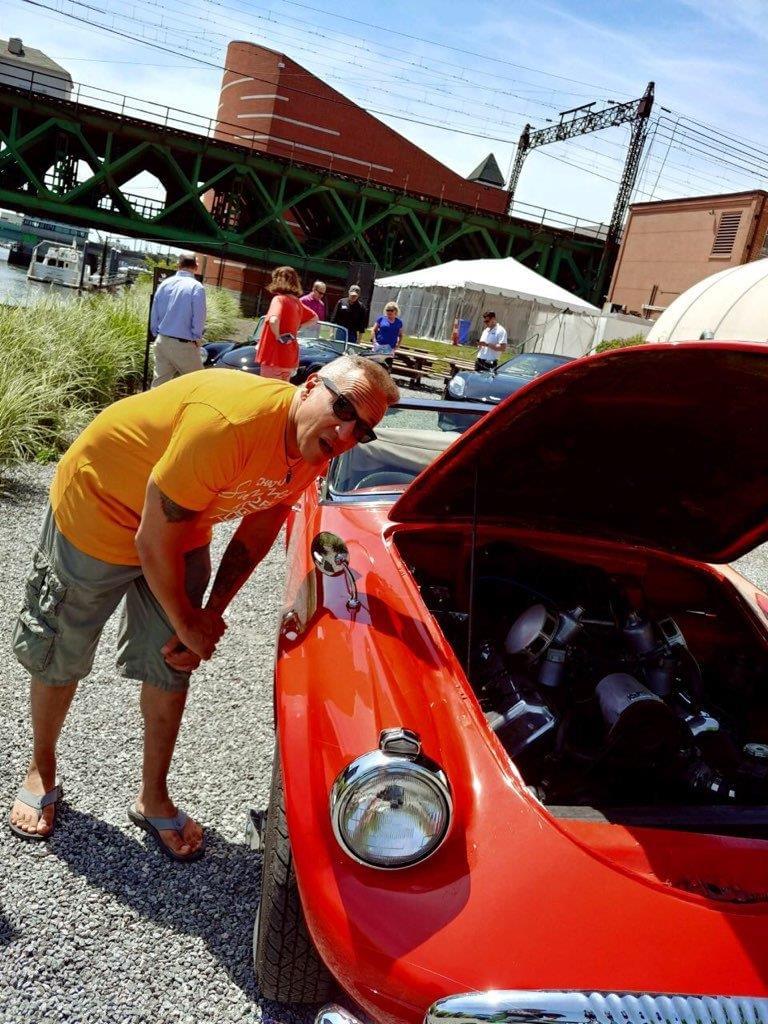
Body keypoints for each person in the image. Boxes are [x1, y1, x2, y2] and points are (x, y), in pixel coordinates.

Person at [8, 357, 399, 861]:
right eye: (342, 408)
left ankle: (152, 797)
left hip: (180, 526)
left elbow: (261, 525)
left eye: (362, 431)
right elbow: (150, 538)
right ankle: (41, 767)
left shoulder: (316, 451)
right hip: (98, 512)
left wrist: (208, 615)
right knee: (61, 647)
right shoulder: (229, 424)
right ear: (309, 388)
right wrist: (188, 619)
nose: (346, 431)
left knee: (175, 660)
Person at [150, 254, 207, 388]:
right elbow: (199, 316)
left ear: (178, 265)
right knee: (198, 384)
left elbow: (155, 314)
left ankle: (150, 408)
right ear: (196, 267)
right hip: (183, 344)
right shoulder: (196, 287)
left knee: (158, 385)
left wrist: (156, 333)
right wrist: (197, 338)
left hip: (162, 340)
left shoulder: (164, 284)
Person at [257, 266, 317, 381]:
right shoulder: (297, 302)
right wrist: (299, 326)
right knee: (282, 393)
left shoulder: (279, 299)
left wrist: (278, 336)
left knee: (269, 393)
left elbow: (274, 320)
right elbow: (315, 318)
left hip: (273, 357)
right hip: (290, 357)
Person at [371, 301, 404, 368]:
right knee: (375, 367)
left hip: (390, 348)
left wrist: (398, 345)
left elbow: (400, 335)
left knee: (386, 368)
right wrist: (374, 341)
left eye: (391, 310)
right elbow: (373, 330)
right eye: (387, 310)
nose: (389, 312)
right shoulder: (381, 319)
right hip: (379, 346)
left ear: (395, 311)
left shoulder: (399, 322)